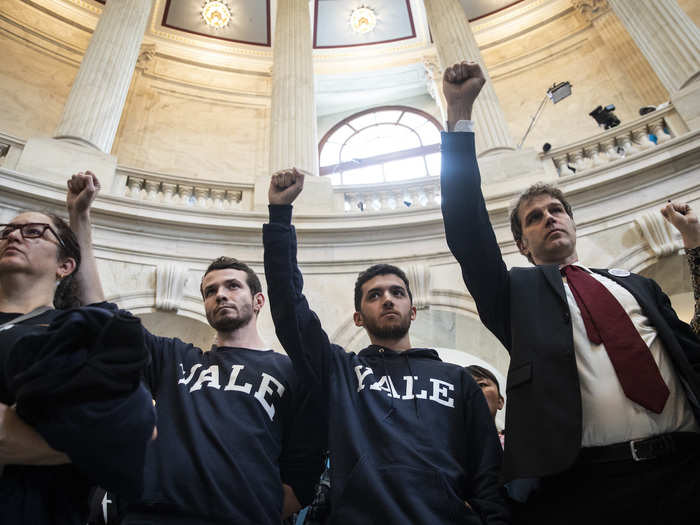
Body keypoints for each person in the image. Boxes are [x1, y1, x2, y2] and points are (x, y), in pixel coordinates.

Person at [439, 60, 700, 525]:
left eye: (557, 210)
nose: (549, 218)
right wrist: (459, 114)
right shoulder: (514, 294)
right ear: (521, 244)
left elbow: (694, 349)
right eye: (534, 217)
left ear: (573, 223)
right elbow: (467, 232)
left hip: (688, 469)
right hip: (591, 490)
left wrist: (695, 245)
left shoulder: (635, 285)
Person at [263, 169, 509, 524]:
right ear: (359, 317)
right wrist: (280, 217)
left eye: (397, 293)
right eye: (374, 295)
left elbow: (487, 471)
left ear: (413, 310)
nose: (388, 300)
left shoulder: (457, 380)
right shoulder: (341, 373)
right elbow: (289, 309)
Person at [105, 256, 324, 524]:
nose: (220, 295)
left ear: (258, 301)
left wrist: (250, 511)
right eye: (211, 291)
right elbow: (106, 322)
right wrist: (81, 223)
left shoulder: (291, 373)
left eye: (232, 286)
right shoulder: (173, 359)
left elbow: (302, 477)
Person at [0, 172, 156, 524]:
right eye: (7, 230)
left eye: (33, 232)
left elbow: (136, 428)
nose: (13, 235)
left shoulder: (68, 333)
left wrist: (79, 217)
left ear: (65, 266)